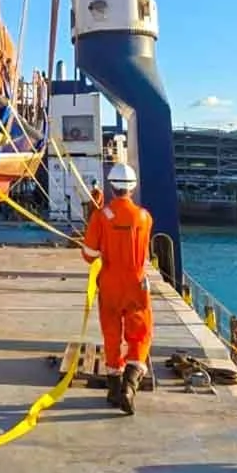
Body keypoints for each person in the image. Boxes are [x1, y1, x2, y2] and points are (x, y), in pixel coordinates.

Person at [81, 161, 153, 414]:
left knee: (111, 332)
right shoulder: (145, 217)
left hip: (110, 282)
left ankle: (113, 388)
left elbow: (89, 254)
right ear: (133, 188)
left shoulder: (101, 216)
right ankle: (129, 386)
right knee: (140, 333)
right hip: (137, 283)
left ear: (111, 187)